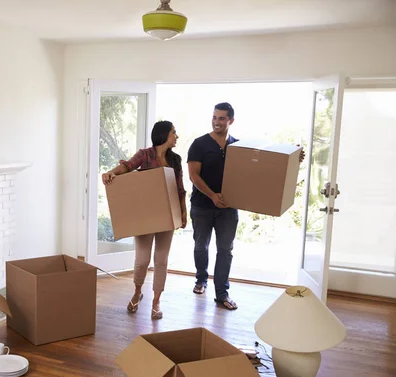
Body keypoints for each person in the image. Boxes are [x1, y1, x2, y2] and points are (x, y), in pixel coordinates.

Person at [187, 103, 305, 310]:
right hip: (202, 206)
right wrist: (213, 196)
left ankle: (222, 294)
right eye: (214, 117)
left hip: (228, 209)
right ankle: (201, 280)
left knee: (225, 250)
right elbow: (193, 175)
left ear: (231, 121)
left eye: (221, 118)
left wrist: (295, 160)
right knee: (200, 246)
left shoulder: (238, 147)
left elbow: (263, 169)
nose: (216, 122)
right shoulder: (199, 144)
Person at [102, 120, 187, 319]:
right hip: (145, 216)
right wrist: (111, 173)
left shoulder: (176, 159)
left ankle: (156, 301)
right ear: (164, 134)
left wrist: (183, 213)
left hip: (167, 215)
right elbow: (127, 167)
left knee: (161, 260)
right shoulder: (145, 155)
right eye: (174, 132)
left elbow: (180, 188)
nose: (176, 136)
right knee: (142, 260)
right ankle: (137, 292)